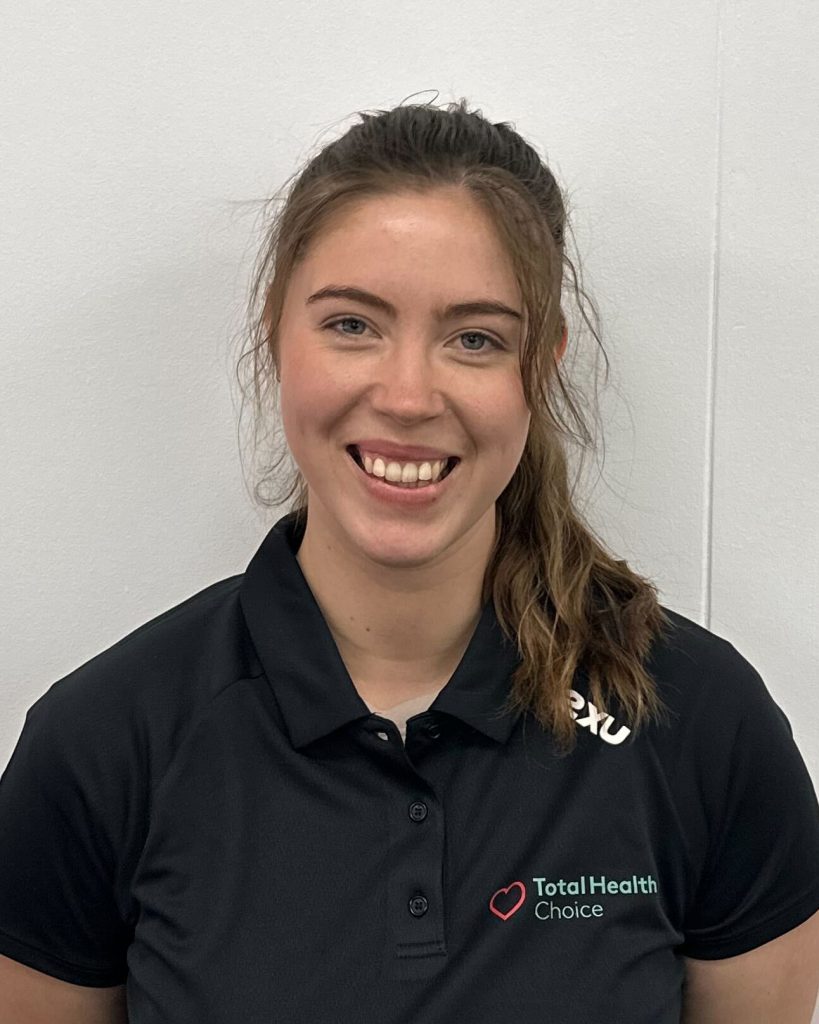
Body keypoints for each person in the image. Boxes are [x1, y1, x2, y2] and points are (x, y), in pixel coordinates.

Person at [1, 96, 818, 1024]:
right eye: (352, 324)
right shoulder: (104, 743)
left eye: (475, 339)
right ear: (275, 335)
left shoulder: (698, 722)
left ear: (541, 366)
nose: (406, 396)